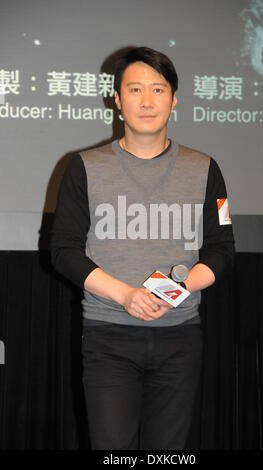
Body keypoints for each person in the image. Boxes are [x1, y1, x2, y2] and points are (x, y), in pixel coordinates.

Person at [50, 46, 235, 450]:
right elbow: (63, 249)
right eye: (135, 90)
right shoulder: (84, 167)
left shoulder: (205, 168)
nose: (147, 101)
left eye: (158, 89)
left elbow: (222, 250)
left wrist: (180, 290)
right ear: (116, 100)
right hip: (107, 338)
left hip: (181, 340)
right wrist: (126, 295)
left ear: (175, 98)